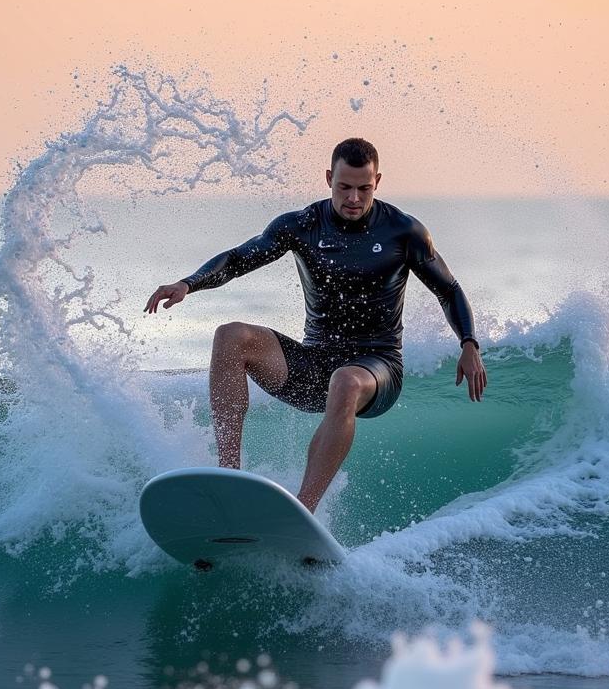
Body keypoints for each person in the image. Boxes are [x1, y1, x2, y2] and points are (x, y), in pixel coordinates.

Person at [143, 137, 486, 512]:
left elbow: (448, 289)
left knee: (346, 380)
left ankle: (302, 511)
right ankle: (230, 480)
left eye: (363, 188)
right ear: (328, 179)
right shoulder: (303, 225)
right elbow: (240, 258)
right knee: (230, 336)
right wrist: (189, 283)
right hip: (314, 367)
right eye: (344, 187)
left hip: (377, 369)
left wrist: (468, 343)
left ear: (377, 182)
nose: (353, 198)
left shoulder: (404, 232)